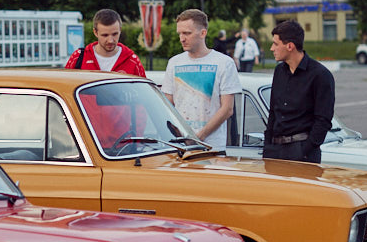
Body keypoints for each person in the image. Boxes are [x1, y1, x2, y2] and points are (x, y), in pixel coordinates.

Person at [160, 8, 241, 148]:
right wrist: (179, 135)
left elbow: (227, 109)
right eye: (180, 33)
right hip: (180, 146)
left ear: (203, 33)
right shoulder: (174, 62)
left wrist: (199, 137)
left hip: (213, 147)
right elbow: (167, 104)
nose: (182, 38)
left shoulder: (224, 63)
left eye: (187, 33)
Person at [263, 19, 335, 164]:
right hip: (275, 152)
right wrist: (268, 147)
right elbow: (273, 113)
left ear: (290, 46)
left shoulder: (320, 75)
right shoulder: (279, 72)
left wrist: (305, 151)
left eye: (276, 44)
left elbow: (323, 120)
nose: (272, 48)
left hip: (303, 153)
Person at [65, 8, 146, 76]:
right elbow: (64, 87)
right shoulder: (79, 57)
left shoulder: (132, 61)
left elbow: (144, 92)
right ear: (95, 32)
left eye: (115, 34)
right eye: (105, 35)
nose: (110, 40)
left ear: (120, 30)